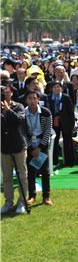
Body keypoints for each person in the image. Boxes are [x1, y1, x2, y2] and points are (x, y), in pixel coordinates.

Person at [1, 85, 29, 214]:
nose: (5, 94)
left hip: (18, 145)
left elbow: (19, 120)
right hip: (4, 146)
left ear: (12, 93)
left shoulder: (18, 106)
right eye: (3, 92)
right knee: (7, 176)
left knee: (22, 175)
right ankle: (8, 201)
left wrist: (8, 110)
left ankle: (22, 201)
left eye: (7, 92)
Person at [24, 90, 53, 206]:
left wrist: (40, 148)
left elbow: (47, 131)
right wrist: (31, 148)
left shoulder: (46, 113)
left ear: (38, 99)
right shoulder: (23, 113)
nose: (32, 101)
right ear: (26, 100)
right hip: (29, 144)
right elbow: (22, 132)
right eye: (30, 98)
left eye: (34, 98)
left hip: (42, 143)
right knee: (31, 172)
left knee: (45, 171)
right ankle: (32, 196)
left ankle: (46, 196)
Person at [47, 81, 76, 167]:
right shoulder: (48, 98)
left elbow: (71, 111)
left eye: (58, 87)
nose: (56, 89)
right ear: (51, 89)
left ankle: (69, 161)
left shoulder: (65, 97)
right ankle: (54, 161)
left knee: (67, 142)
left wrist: (72, 123)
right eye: (54, 87)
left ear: (61, 88)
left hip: (65, 122)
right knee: (54, 141)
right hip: (53, 122)